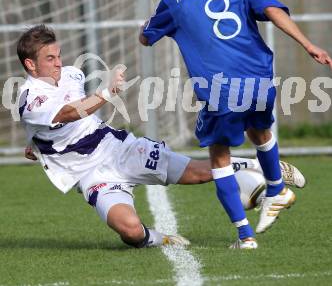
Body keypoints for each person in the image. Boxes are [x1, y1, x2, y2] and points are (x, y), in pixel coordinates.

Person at [17, 25, 305, 249]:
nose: (58, 63)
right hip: (90, 174)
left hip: (119, 150)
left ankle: (263, 166)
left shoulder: (71, 75)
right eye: (50, 58)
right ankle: (158, 238)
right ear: (30, 65)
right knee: (129, 231)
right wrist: (106, 93)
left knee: (197, 174)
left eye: (58, 55)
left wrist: (37, 143)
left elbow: (55, 122)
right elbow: (67, 113)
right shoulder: (29, 98)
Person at [139, 0, 331, 249]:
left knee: (219, 157)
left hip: (221, 87)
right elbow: (272, 10)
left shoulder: (174, 0)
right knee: (260, 131)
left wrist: (148, 25)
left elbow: (146, 39)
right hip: (258, 76)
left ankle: (245, 236)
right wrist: (308, 45)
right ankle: (277, 188)